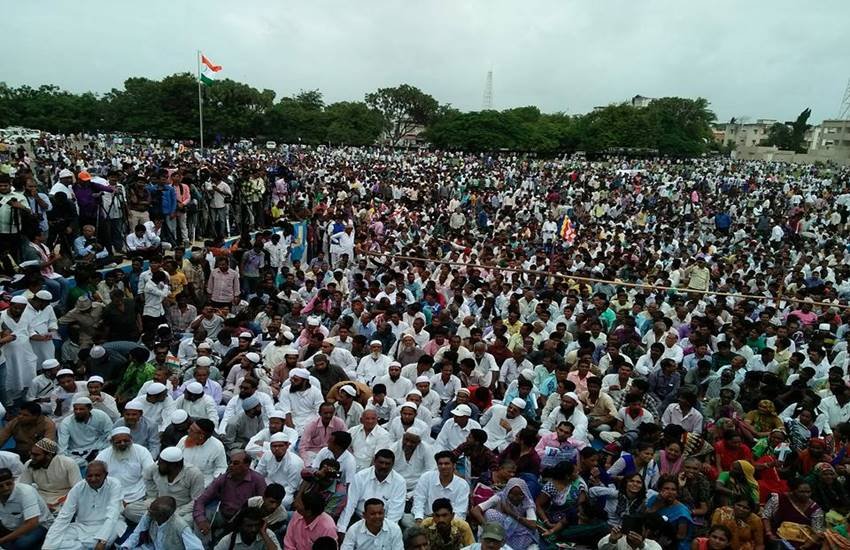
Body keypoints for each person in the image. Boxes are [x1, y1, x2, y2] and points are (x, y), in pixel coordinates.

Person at [42, 461, 125, 550]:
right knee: (56, 540)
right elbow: (64, 516)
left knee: (102, 541)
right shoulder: (78, 488)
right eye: (89, 476)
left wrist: (102, 541)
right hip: (82, 526)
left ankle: (79, 546)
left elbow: (112, 515)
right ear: (85, 476)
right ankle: (82, 547)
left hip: (109, 525)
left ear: (105, 475)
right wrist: (47, 546)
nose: (93, 479)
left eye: (97, 475)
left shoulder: (114, 485)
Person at [193, 450, 266, 540]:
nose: (231, 466)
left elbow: (263, 505)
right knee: (200, 517)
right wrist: (201, 520)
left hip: (244, 520)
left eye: (235, 463)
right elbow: (201, 500)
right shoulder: (223, 478)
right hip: (223, 515)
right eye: (230, 462)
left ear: (247, 465)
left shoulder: (258, 480)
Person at [336, 449, 406, 534]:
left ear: (393, 465)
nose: (383, 466)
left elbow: (395, 513)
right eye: (381, 462)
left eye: (387, 464)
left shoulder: (400, 482)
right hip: (359, 519)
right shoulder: (360, 476)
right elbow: (350, 504)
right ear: (374, 461)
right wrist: (342, 529)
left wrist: (386, 533)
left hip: (384, 522)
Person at [95, 427, 155, 523]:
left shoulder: (141, 451)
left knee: (132, 511)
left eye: (125, 441)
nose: (122, 444)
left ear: (131, 439)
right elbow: (97, 478)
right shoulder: (103, 455)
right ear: (112, 442)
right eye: (118, 442)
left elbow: (150, 474)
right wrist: (117, 499)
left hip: (140, 496)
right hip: (113, 497)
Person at [469, 478, 539, 550]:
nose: (515, 498)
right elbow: (475, 510)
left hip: (517, 535)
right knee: (491, 513)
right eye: (512, 494)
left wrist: (511, 513)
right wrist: (486, 526)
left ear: (524, 494)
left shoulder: (527, 502)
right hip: (497, 530)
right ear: (507, 491)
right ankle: (494, 542)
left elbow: (533, 525)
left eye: (519, 495)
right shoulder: (500, 497)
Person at [143, 446, 205, 524]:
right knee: (130, 510)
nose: (158, 463)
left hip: (181, 510)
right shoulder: (156, 467)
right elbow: (147, 478)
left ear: (174, 466)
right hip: (158, 505)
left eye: (162, 463)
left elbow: (197, 500)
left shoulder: (194, 474)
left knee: (182, 522)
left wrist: (176, 513)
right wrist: (153, 497)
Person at [19, 437, 80, 512]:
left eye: (36, 455)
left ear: (49, 455)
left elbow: (77, 489)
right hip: (41, 497)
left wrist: (59, 502)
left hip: (64, 496)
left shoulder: (68, 463)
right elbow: (24, 488)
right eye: (31, 453)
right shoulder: (29, 464)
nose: (32, 457)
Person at [120, 496, 204, 550]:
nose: (148, 512)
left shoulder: (181, 526)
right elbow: (137, 533)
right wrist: (126, 546)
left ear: (161, 516)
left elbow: (196, 547)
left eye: (152, 512)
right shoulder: (149, 515)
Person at [761, 477, 824, 549]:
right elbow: (766, 516)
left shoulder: (815, 508)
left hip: (804, 540)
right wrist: (769, 533)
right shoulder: (778, 499)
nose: (806, 495)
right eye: (801, 492)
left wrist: (805, 546)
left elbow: (818, 531)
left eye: (808, 492)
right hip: (779, 536)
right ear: (793, 490)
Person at [0, 467, 53, 550]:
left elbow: (32, 523)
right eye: (1, 486)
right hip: (11, 525)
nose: (5, 488)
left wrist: (2, 540)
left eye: (8, 484)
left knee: (22, 544)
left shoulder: (25, 492)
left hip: (40, 525)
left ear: (13, 480)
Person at [412, 451, 470, 524]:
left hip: (449, 522)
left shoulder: (462, 485)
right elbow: (419, 500)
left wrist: (448, 525)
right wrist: (419, 519)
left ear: (454, 465)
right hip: (426, 518)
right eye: (440, 464)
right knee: (406, 519)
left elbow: (460, 511)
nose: (443, 467)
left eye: (446, 464)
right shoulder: (426, 477)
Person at [57, 396, 112, 470]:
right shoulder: (66, 423)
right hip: (77, 452)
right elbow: (62, 447)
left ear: (90, 409)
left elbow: (110, 433)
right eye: (76, 409)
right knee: (66, 462)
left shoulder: (101, 416)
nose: (78, 412)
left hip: (97, 448)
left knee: (110, 450)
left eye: (81, 409)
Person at [255, 431, 303, 510]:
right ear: (270, 447)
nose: (277, 449)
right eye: (274, 446)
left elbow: (291, 488)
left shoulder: (295, 463)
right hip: (267, 487)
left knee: (285, 502)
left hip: (284, 491)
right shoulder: (267, 455)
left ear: (287, 446)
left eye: (280, 446)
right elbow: (259, 474)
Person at [646, 474, 693, 550]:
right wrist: (656, 506)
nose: (670, 492)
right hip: (649, 539)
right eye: (666, 488)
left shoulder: (682, 513)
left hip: (671, 544)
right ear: (660, 490)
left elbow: (681, 536)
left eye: (673, 489)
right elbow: (644, 517)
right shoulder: (654, 499)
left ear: (677, 492)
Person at [176, 419, 227, 486]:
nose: (188, 431)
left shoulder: (217, 446)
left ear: (201, 436)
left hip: (204, 482)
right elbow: (175, 458)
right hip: (182, 478)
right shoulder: (184, 440)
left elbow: (221, 467)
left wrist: (214, 484)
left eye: (191, 431)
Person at [213, 507, 281, 550]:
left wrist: (264, 534)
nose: (253, 529)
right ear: (240, 525)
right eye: (249, 526)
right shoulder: (229, 540)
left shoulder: (267, 534)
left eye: (256, 525)